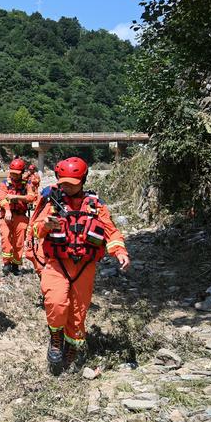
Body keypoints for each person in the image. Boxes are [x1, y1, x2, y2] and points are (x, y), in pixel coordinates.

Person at [30, 157, 130, 374]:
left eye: (72, 183)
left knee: (78, 314)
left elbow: (111, 231)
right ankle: (55, 338)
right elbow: (35, 230)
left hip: (84, 267)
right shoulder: (51, 202)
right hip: (57, 263)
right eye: (63, 182)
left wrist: (119, 251)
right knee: (55, 303)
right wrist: (46, 225)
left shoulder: (95, 205)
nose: (66, 186)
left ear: (82, 180)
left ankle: (72, 349)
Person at [0, 158, 37, 276]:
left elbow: (31, 197)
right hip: (6, 215)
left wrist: (17, 198)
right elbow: (2, 199)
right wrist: (8, 210)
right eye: (12, 173)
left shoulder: (27, 184)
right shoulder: (4, 183)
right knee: (5, 239)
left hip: (20, 215)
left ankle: (15, 265)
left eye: (16, 174)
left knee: (19, 242)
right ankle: (6, 264)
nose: (14, 176)